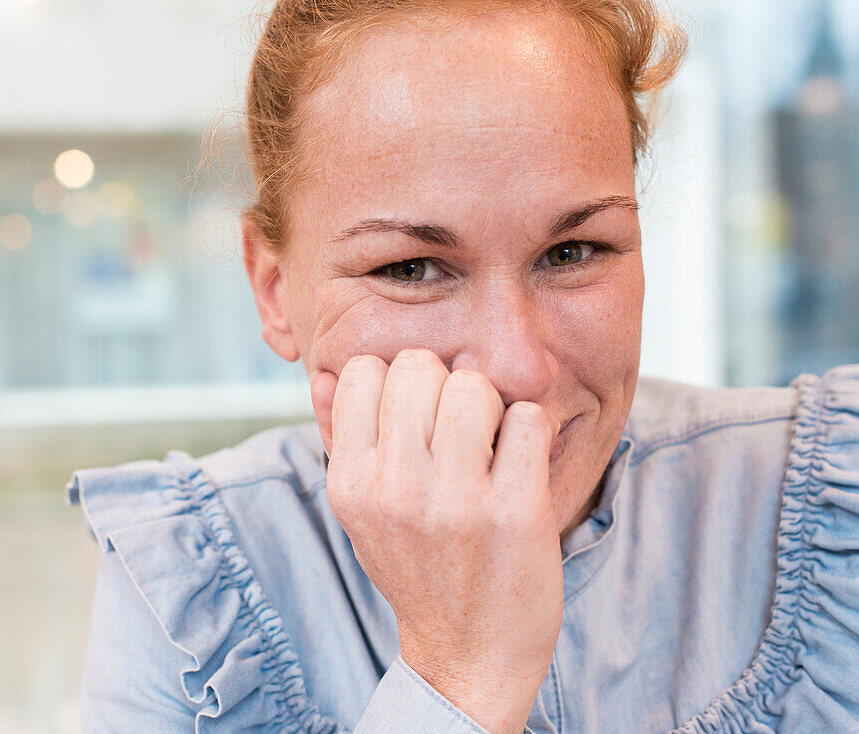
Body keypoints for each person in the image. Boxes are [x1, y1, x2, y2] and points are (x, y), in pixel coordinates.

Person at [68, 1, 859, 732]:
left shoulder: (835, 509)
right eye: (411, 269)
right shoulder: (185, 590)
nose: (517, 368)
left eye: (572, 252)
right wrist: (461, 675)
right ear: (274, 292)